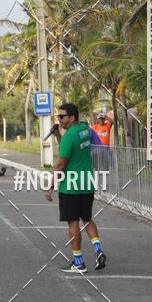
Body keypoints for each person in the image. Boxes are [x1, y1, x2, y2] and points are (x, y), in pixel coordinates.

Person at [45, 103, 106, 273]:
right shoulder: (83, 129)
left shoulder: (70, 135)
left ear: (71, 117)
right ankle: (98, 249)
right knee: (87, 218)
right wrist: (58, 135)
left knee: (73, 222)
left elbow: (60, 165)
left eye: (62, 117)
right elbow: (71, 146)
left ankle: (78, 261)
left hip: (71, 187)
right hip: (87, 183)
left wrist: (50, 187)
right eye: (58, 117)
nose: (59, 120)